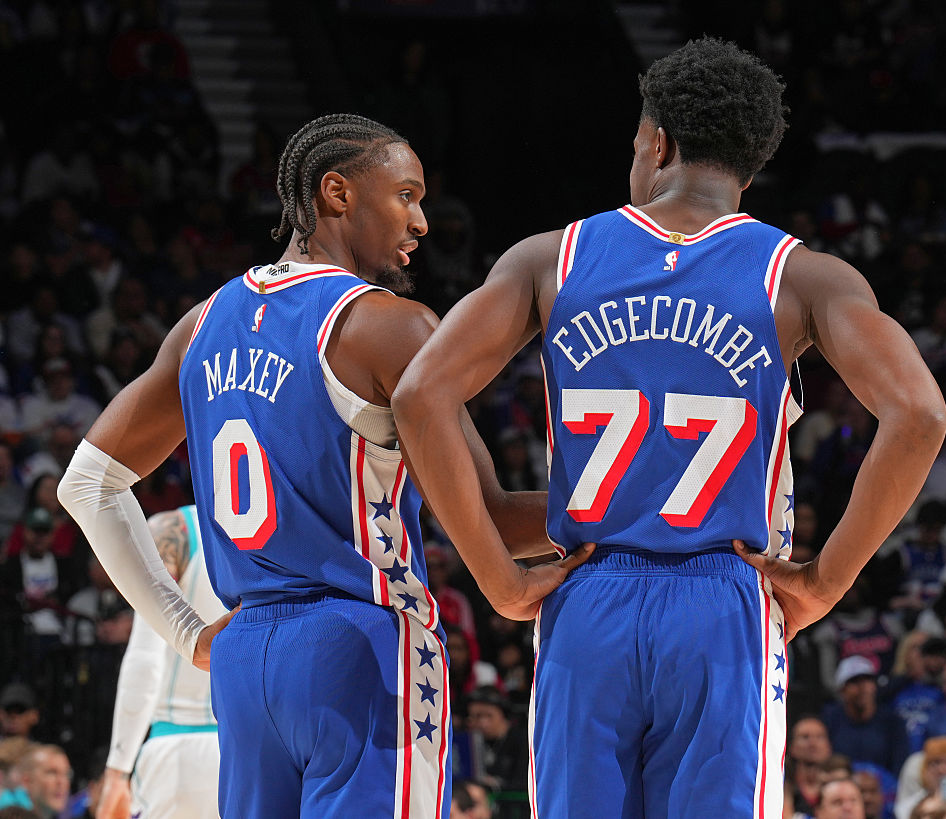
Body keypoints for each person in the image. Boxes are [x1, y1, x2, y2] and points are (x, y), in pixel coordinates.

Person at [392, 36, 946, 817]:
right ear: (750, 167)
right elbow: (920, 415)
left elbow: (420, 397)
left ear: (658, 142)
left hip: (588, 592)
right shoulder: (802, 275)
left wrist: (499, 577)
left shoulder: (550, 259)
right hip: (723, 600)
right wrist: (824, 583)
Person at [58, 113, 588, 818]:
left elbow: (88, 482)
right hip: (361, 644)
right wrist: (623, 514)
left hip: (246, 659)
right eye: (406, 195)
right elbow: (486, 517)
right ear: (337, 193)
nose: (422, 221)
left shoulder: (202, 322)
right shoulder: (391, 327)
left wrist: (187, 631)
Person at [95, 506, 225, 819]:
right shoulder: (292, 520)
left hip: (177, 749)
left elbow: (145, 657)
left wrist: (117, 771)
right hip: (255, 746)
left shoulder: (175, 528)